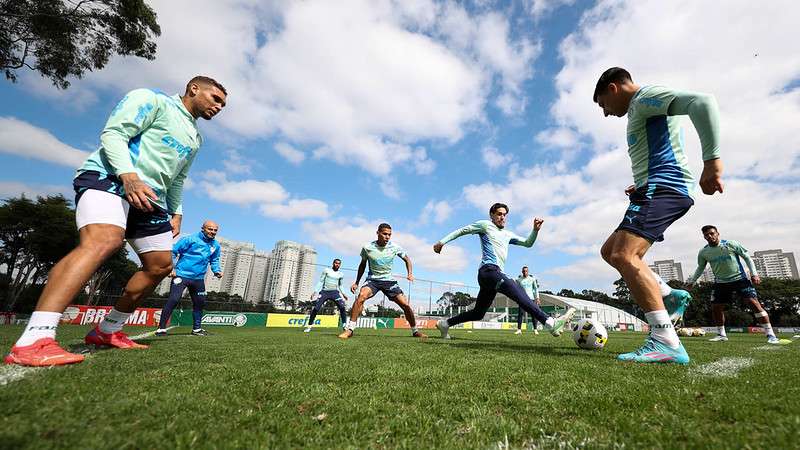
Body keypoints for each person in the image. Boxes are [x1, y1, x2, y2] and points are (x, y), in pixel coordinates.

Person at [4, 76, 227, 366]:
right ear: (194, 89)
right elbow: (114, 133)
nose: (219, 107)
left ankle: (108, 329)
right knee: (104, 241)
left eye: (223, 104)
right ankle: (35, 338)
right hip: (109, 180)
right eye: (215, 98)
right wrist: (129, 175)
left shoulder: (195, 138)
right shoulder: (152, 99)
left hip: (151, 200)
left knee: (160, 265)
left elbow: (177, 178)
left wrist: (177, 211)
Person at [594, 67, 722, 364]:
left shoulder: (644, 97)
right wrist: (639, 184)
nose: (605, 113)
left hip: (664, 187)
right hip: (650, 188)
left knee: (626, 256)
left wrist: (712, 161)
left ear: (613, 88)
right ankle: (669, 294)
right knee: (610, 252)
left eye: (602, 104)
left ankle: (665, 340)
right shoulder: (641, 108)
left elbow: (702, 102)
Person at [433, 203, 575, 339]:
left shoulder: (507, 235)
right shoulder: (485, 225)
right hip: (488, 270)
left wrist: (535, 230)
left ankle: (445, 324)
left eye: (505, 215)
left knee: (478, 313)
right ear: (492, 215)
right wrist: (442, 242)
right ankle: (550, 322)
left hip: (492, 276)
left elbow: (528, 243)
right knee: (516, 287)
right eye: (499, 214)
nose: (502, 217)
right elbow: (462, 230)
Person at [687, 225, 790, 345]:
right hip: (720, 282)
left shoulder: (731, 244)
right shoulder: (704, 252)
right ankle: (721, 334)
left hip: (739, 279)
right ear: (704, 237)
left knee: (754, 304)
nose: (710, 236)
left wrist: (754, 274)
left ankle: (771, 335)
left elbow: (747, 257)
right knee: (716, 308)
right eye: (707, 235)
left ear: (717, 233)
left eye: (712, 233)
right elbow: (701, 267)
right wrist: (692, 282)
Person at [338, 223, 427, 339]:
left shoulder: (395, 247)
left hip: (389, 282)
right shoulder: (367, 247)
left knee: (405, 305)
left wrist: (410, 274)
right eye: (384, 234)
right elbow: (362, 265)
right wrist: (357, 282)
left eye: (389, 235)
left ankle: (415, 331)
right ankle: (350, 329)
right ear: (378, 233)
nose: (387, 237)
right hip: (373, 280)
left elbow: (407, 260)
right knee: (361, 297)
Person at [155, 220, 222, 337]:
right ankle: (161, 328)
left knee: (199, 303)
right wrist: (172, 268)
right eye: (210, 229)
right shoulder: (190, 239)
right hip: (181, 275)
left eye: (215, 230)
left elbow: (214, 260)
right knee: (174, 300)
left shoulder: (215, 245)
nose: (213, 232)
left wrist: (216, 271)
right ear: (203, 229)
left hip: (199, 279)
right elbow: (173, 252)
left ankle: (197, 329)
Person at [304, 258, 349, 333]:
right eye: (336, 263)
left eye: (339, 263)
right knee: (316, 308)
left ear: (340, 265)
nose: (337, 264)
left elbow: (340, 285)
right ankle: (309, 326)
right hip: (324, 292)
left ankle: (344, 325)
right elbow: (321, 281)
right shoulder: (326, 270)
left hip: (335, 293)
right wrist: (315, 292)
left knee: (342, 307)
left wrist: (344, 294)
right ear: (333, 263)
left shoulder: (341, 274)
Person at [515, 266, 540, 335]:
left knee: (533, 314)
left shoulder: (532, 279)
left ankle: (535, 330)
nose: (525, 272)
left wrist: (537, 298)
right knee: (520, 314)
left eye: (526, 271)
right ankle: (519, 330)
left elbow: (536, 289)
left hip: (531, 299)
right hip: (522, 299)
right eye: (523, 271)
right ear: (522, 272)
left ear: (528, 272)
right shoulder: (519, 280)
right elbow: (517, 289)